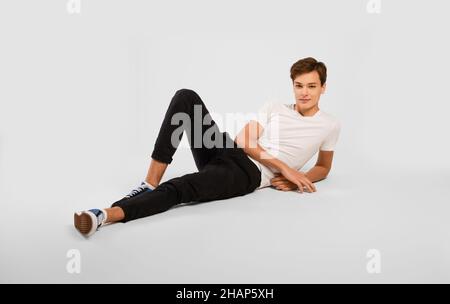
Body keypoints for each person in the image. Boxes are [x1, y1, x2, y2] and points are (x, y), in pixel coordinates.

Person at [74, 57, 341, 237]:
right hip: (228, 149)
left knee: (182, 187)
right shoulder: (275, 106)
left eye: (311, 86)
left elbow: (323, 167)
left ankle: (104, 215)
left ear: (323, 88)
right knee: (186, 98)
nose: (304, 92)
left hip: (246, 175)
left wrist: (300, 179)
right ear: (292, 85)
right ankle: (149, 183)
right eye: (298, 85)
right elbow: (244, 141)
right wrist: (287, 169)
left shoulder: (329, 125)